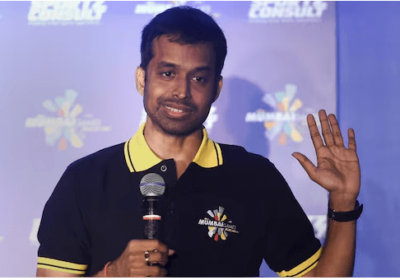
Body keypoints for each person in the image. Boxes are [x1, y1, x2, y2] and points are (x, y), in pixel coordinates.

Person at [36, 6, 362, 277]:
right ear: (141, 78)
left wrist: (343, 203)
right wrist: (114, 274)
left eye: (198, 78)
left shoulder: (255, 177)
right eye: (167, 73)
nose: (182, 90)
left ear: (216, 89)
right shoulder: (85, 179)